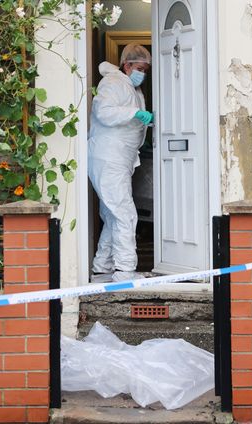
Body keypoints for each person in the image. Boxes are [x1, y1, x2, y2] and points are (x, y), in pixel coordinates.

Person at [88, 43, 153, 283]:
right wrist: (133, 114)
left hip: (119, 158)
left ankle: (102, 267)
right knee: (124, 213)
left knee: (113, 214)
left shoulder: (134, 90)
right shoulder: (113, 83)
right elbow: (103, 112)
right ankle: (125, 270)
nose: (142, 74)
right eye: (139, 68)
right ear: (126, 65)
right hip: (109, 157)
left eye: (145, 69)